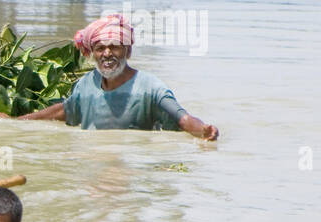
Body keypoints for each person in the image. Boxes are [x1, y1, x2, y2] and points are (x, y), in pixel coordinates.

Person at [12, 15, 219, 139]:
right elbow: (64, 110)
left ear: (128, 52)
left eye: (115, 48)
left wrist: (203, 130)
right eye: (100, 48)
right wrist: (16, 122)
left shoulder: (150, 87)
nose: (107, 54)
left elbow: (182, 118)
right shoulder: (85, 84)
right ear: (93, 54)